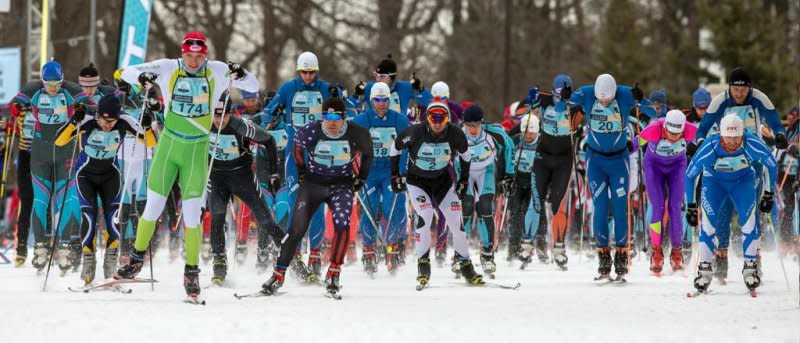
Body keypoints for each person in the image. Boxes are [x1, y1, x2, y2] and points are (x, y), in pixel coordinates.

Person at [115, 31, 259, 301]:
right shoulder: (170, 67)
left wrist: (241, 74)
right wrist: (142, 78)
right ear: (183, 53)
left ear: (205, 55)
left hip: (196, 149)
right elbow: (125, 72)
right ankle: (135, 259)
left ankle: (191, 272)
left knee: (192, 216)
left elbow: (254, 84)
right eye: (190, 56)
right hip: (169, 148)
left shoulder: (217, 70)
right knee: (153, 207)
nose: (194, 61)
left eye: (199, 56)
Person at [260, 97, 372, 297]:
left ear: (344, 118)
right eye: (327, 117)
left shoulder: (357, 133)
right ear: (322, 117)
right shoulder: (310, 131)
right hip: (313, 184)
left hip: (341, 185)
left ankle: (333, 274)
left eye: (336, 117)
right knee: (297, 229)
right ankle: (278, 275)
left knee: (342, 224)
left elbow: (368, 154)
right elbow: (297, 149)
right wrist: (302, 172)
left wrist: (361, 179)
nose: (331, 122)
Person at [694, 67, 787, 282]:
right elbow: (703, 127)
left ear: (749, 88)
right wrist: (698, 143)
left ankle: (753, 257)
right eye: (735, 88)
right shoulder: (720, 102)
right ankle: (721, 254)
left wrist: (779, 134)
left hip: (751, 160)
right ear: (729, 87)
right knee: (724, 210)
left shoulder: (758, 99)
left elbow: (773, 119)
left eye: (743, 89)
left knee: (750, 209)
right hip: (724, 159)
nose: (739, 93)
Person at [54, 94, 156, 284]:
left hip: (111, 174)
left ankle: (110, 261)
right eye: (104, 120)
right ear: (98, 115)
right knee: (89, 216)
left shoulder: (124, 122)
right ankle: (89, 260)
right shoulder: (87, 121)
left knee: (113, 217)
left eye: (112, 121)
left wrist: (148, 127)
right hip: (85, 175)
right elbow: (59, 141)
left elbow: (151, 143)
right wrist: (73, 121)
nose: (108, 124)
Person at [263, 51, 343, 277]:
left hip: (320, 152)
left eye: (311, 72)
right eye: (304, 72)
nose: (308, 76)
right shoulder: (289, 88)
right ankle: (294, 252)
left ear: (316, 71)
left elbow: (344, 113)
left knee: (317, 204)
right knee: (295, 202)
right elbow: (268, 111)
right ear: (299, 71)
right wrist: (273, 115)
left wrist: (339, 98)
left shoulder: (326, 88)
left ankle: (315, 252)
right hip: (295, 151)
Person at [568, 73, 654, 281]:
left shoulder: (624, 94)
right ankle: (603, 255)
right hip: (596, 161)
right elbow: (563, 106)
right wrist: (564, 97)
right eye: (601, 99)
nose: (604, 102)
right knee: (600, 208)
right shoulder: (587, 93)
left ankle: (622, 254)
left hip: (619, 161)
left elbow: (653, 111)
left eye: (608, 99)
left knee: (619, 208)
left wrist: (641, 99)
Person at [390, 101, 483, 287]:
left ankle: (465, 264)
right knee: (424, 215)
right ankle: (423, 263)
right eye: (434, 118)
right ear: (427, 118)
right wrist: (395, 175)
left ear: (448, 119)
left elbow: (466, 156)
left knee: (457, 221)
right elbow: (395, 147)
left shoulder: (455, 134)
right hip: (417, 182)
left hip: (442, 182)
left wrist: (464, 180)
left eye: (442, 118)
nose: (438, 122)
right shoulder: (415, 132)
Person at [687, 114, 777, 293]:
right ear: (720, 135)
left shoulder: (751, 142)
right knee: (708, 224)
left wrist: (769, 193)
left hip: (742, 182)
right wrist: (690, 204)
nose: (732, 143)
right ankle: (704, 269)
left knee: (749, 221)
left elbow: (772, 165)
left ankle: (750, 267)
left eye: (736, 138)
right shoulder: (710, 145)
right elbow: (690, 175)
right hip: (715, 183)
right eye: (728, 138)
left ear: (743, 135)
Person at [12, 60, 88, 274]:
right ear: (43, 81)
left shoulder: (70, 90)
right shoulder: (34, 90)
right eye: (49, 84)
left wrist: (83, 109)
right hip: (40, 152)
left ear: (62, 81)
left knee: (67, 199)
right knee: (40, 199)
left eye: (57, 84)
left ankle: (63, 247)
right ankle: (40, 247)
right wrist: (17, 107)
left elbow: (91, 103)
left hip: (66, 152)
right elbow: (14, 103)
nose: (53, 88)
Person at [206, 92, 283, 284]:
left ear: (231, 113)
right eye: (216, 116)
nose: (220, 120)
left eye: (224, 115)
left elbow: (268, 140)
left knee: (264, 218)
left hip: (241, 175)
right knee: (216, 216)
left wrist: (274, 172)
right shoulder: (203, 125)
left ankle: (291, 255)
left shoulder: (241, 126)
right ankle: (219, 263)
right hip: (216, 176)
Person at [352, 82, 410, 275]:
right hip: (369, 169)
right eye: (377, 100)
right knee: (369, 208)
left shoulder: (399, 120)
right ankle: (368, 250)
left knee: (392, 207)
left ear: (390, 100)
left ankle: (393, 246)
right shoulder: (361, 120)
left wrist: (401, 173)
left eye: (385, 100)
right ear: (371, 101)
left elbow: (406, 149)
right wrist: (354, 170)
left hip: (389, 169)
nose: (381, 104)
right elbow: (350, 146)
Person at [527, 74, 577, 269]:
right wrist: (531, 98)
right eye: (556, 94)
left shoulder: (575, 104)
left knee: (558, 204)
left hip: (564, 158)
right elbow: (523, 110)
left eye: (562, 94)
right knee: (536, 200)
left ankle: (559, 247)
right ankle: (526, 242)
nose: (559, 98)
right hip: (543, 155)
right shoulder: (545, 100)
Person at [638, 109, 697, 274]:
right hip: (654, 167)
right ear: (665, 127)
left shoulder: (690, 129)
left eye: (678, 134)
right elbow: (635, 143)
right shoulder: (654, 128)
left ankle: (676, 251)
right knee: (658, 207)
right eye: (670, 133)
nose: (673, 138)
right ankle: (656, 251)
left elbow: (710, 140)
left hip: (677, 167)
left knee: (675, 207)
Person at [459, 105, 514, 276]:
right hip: (466, 173)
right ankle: (460, 255)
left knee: (485, 208)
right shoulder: (458, 134)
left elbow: (509, 147)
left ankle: (487, 254)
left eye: (476, 125)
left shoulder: (494, 132)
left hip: (486, 171)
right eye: (469, 125)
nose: (473, 129)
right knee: (466, 208)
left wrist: (509, 175)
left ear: (482, 122)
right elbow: (448, 155)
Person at [349, 54, 432, 118]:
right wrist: (356, 95)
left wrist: (420, 89)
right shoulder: (370, 88)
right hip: (374, 133)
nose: (378, 79)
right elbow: (348, 108)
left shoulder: (404, 87)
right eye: (376, 75)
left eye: (382, 76)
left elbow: (431, 103)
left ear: (392, 77)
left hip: (398, 133)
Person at [508, 114, 539, 264]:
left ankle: (534, 244)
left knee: (530, 211)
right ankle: (513, 246)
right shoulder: (515, 141)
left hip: (533, 181)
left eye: (532, 133)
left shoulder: (541, 143)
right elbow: (506, 158)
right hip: (517, 181)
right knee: (515, 213)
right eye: (526, 132)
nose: (528, 136)